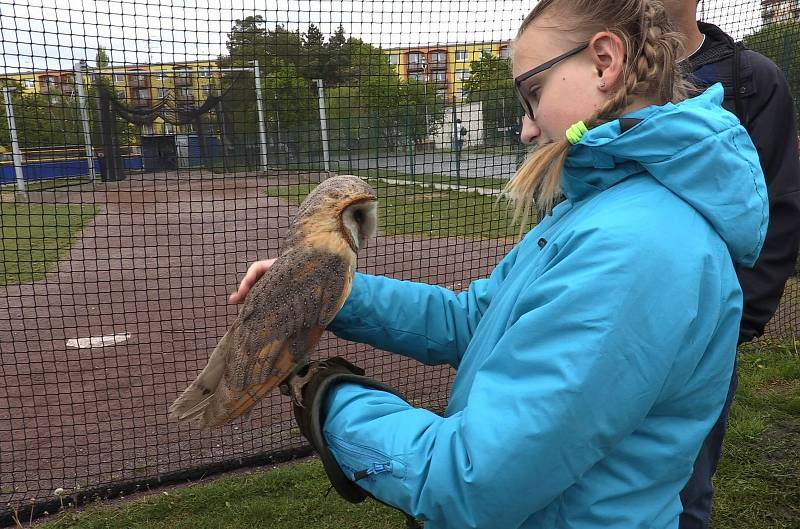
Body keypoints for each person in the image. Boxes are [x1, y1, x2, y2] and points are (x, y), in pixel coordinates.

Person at [229, 1, 768, 527]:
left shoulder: (635, 247)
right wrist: (327, 292)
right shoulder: (599, 211)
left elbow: (470, 483)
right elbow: (473, 319)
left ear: (605, 61)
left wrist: (326, 398)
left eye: (532, 94)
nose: (528, 129)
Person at [662, 3, 800, 528]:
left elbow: (779, 205)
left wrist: (734, 324)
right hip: (612, 319)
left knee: (684, 488)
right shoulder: (599, 72)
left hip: (704, 334)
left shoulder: (749, 78)